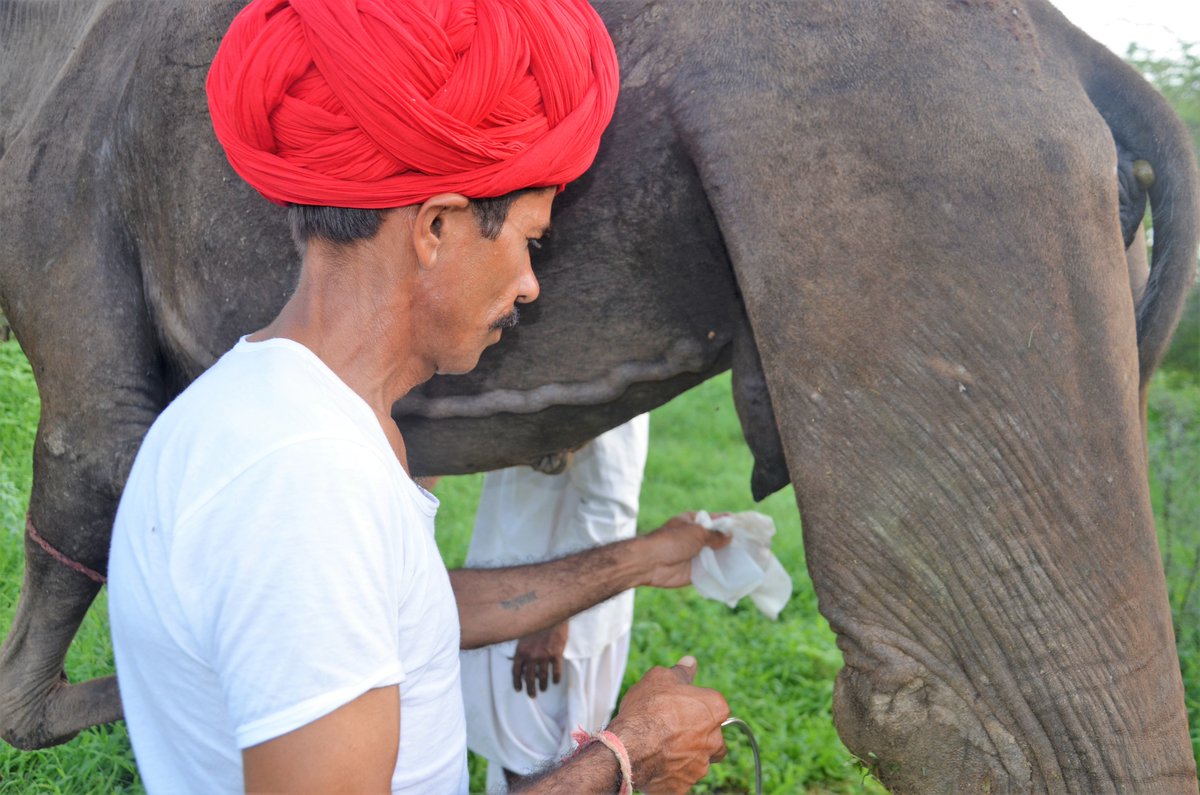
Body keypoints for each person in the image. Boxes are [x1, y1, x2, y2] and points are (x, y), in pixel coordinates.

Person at [106, 1, 731, 794]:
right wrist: (625, 757)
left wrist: (639, 559)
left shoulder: (289, 413)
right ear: (435, 227)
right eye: (529, 241)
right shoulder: (304, 481)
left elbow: (403, 611)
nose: (531, 285)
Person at [461, 414, 650, 791]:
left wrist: (552, 617)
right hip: (514, 596)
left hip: (550, 627)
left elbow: (610, 507)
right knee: (515, 768)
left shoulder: (610, 360)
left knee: (541, 772)